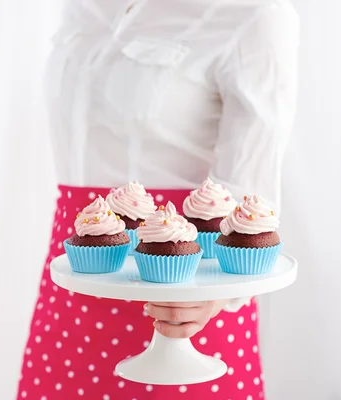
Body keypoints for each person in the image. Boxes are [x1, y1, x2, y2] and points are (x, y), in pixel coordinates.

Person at [16, 0, 299, 398]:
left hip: (188, 293)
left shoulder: (254, 13)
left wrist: (213, 298)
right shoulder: (82, 8)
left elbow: (252, 194)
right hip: (72, 280)